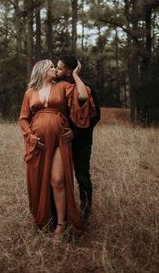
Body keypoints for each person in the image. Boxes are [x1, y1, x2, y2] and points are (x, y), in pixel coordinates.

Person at [19, 59, 96, 237]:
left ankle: (61, 225)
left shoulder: (62, 86)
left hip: (59, 141)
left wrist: (75, 74)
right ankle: (45, 220)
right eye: (52, 67)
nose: (55, 69)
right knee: (39, 181)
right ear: (43, 71)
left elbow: (83, 96)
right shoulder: (30, 92)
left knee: (58, 181)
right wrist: (30, 137)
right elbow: (23, 118)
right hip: (39, 143)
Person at [56, 56, 100, 221]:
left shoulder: (86, 87)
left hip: (81, 141)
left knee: (82, 175)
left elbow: (96, 116)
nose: (56, 70)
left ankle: (85, 210)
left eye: (59, 68)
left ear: (68, 71)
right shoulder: (56, 85)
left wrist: (76, 132)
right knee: (59, 176)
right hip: (61, 140)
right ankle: (62, 210)